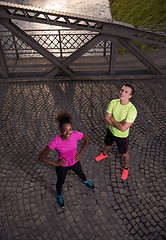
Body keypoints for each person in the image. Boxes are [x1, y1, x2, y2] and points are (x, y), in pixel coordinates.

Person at [38, 111, 95, 208]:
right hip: (62, 166)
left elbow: (87, 139)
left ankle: (85, 181)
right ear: (60, 130)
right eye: (64, 130)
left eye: (70, 130)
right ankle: (59, 195)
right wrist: (56, 163)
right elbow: (41, 157)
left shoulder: (75, 134)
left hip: (75, 162)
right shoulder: (55, 142)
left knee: (81, 174)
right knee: (60, 182)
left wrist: (80, 153)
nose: (68, 133)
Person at [95, 83, 137, 181]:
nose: (123, 92)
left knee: (124, 153)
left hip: (122, 136)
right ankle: (105, 154)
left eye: (126, 92)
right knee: (107, 144)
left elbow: (123, 129)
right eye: (122, 90)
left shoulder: (132, 110)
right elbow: (106, 118)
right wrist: (119, 123)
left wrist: (112, 119)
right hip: (111, 131)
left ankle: (126, 168)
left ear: (130, 96)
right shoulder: (113, 102)